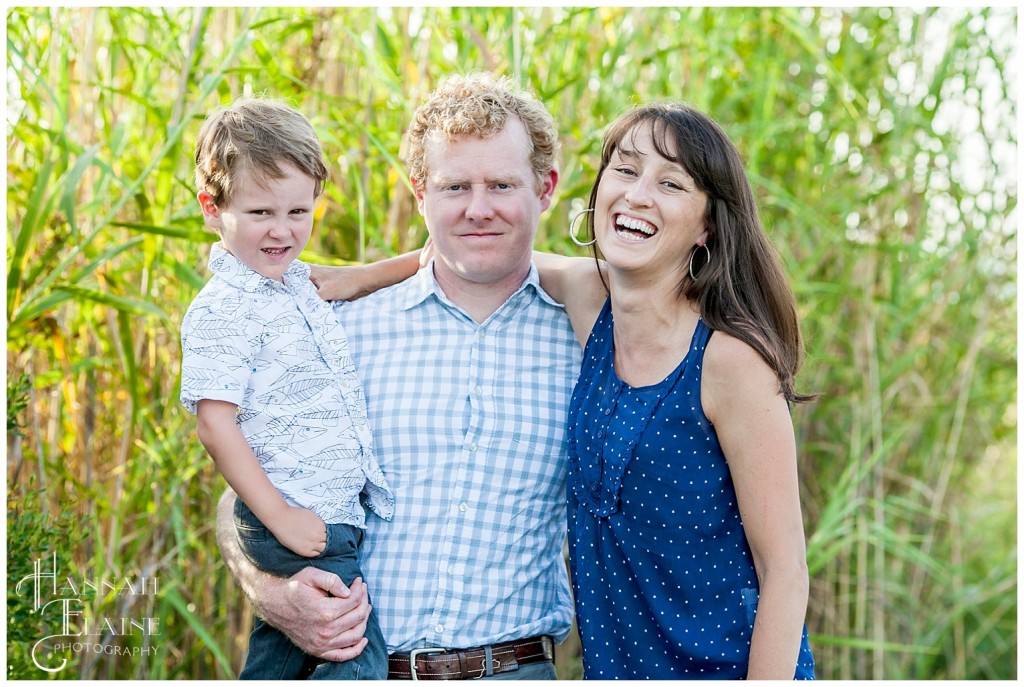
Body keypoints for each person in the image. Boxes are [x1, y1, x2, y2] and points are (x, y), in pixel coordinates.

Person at [216, 73, 582, 680]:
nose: (478, 207)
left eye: (502, 184)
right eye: (455, 185)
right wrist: (269, 592)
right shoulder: (341, 331)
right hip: (353, 668)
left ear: (545, 189)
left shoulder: (591, 341)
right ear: (419, 191)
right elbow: (242, 496)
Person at [538, 102, 817, 678]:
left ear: (707, 226)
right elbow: (479, 255)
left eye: (670, 183)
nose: (638, 195)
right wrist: (358, 278)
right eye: (625, 169)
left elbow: (786, 571)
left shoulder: (729, 362)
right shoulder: (590, 300)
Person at [180, 96, 418, 680]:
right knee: (356, 657)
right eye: (260, 213)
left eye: (298, 211)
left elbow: (395, 269)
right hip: (294, 518)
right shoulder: (224, 307)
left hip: (325, 513)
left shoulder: (295, 284)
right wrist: (282, 516)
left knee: (280, 660)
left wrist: (413, 263)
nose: (282, 231)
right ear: (213, 209)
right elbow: (214, 423)